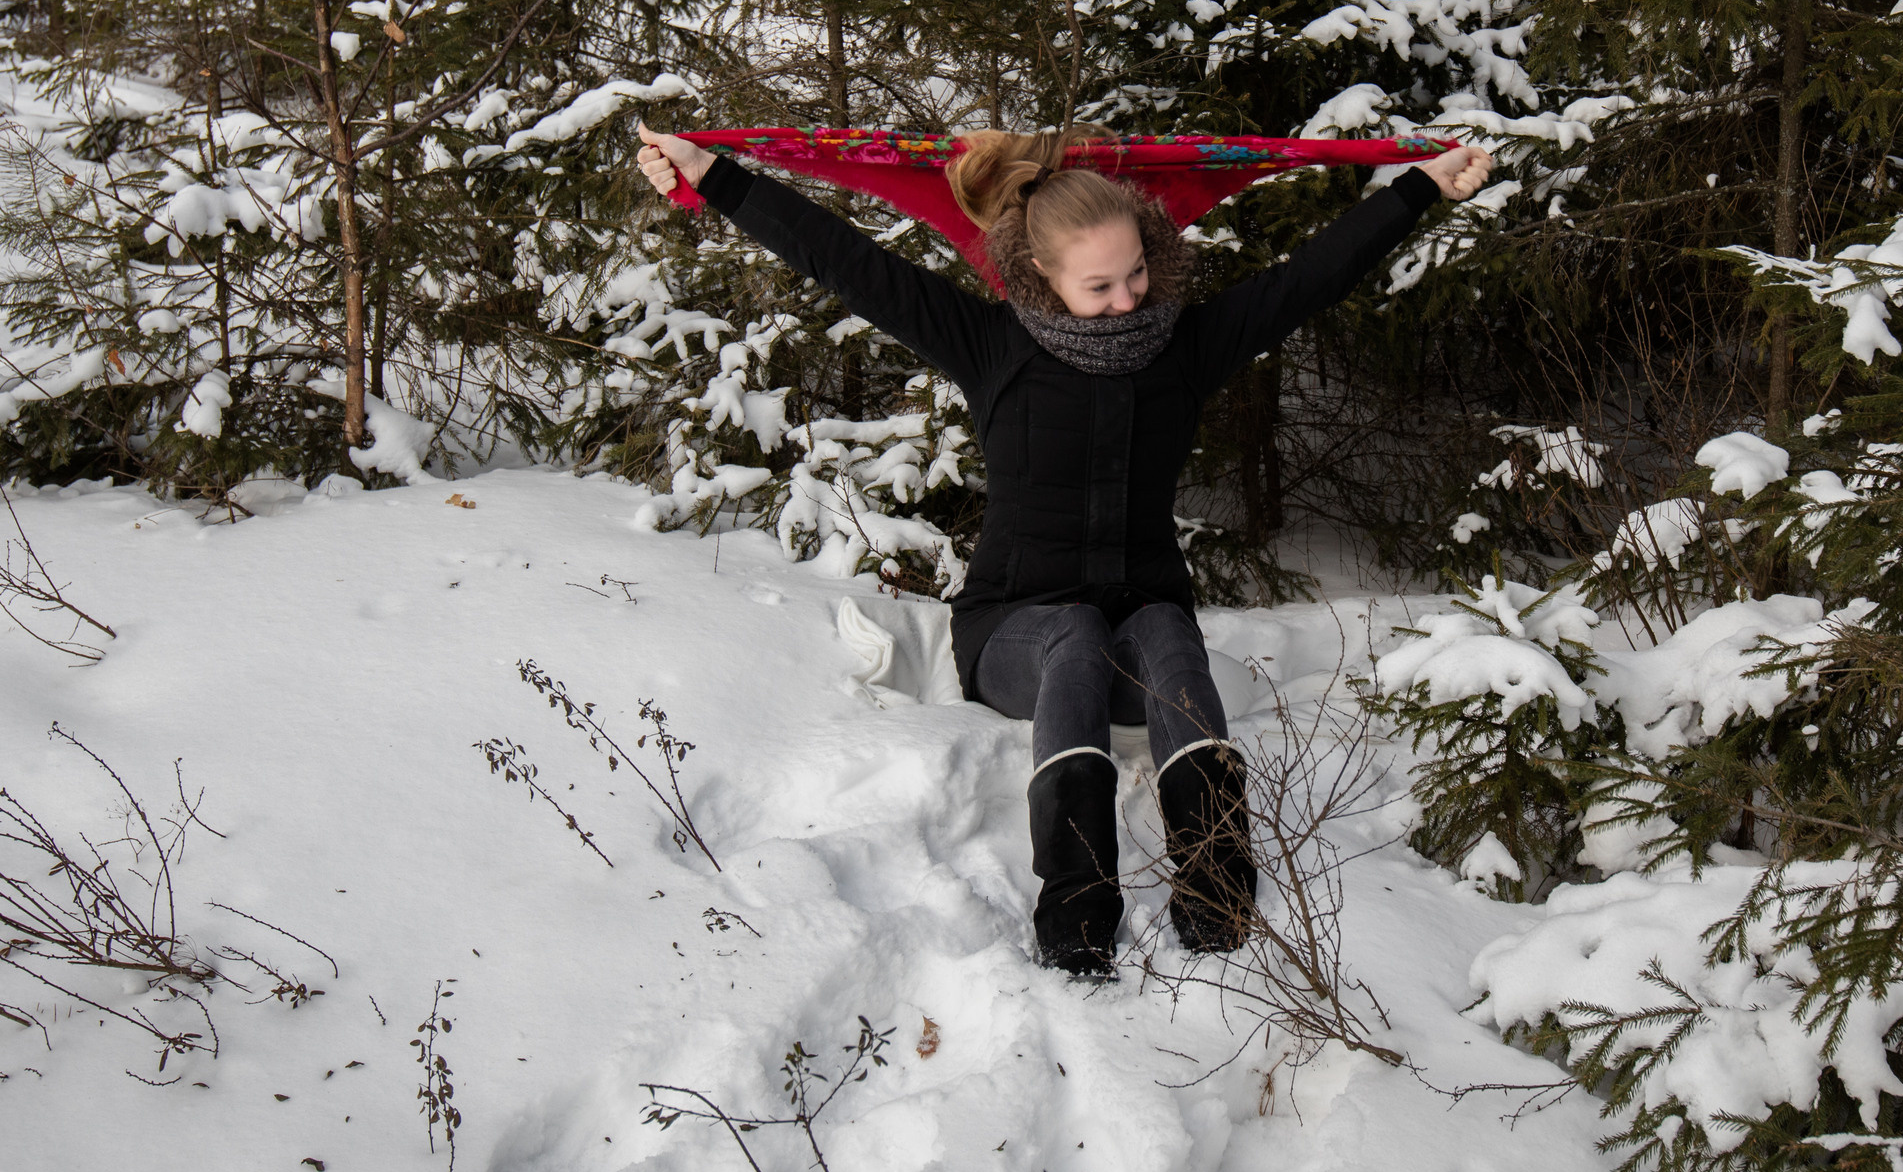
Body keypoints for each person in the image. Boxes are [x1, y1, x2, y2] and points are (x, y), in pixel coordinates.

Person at [634, 120, 1492, 979]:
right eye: (1100, 286)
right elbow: (845, 259)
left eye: (1137, 274)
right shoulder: (991, 346)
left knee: (1169, 631)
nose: (1127, 300)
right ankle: (1077, 897)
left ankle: (1217, 877)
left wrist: (1422, 185)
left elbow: (1311, 276)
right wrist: (715, 176)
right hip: (1015, 635)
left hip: (1141, 628)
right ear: (1042, 272)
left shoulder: (1185, 348)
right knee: (1073, 632)